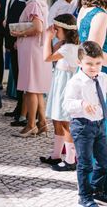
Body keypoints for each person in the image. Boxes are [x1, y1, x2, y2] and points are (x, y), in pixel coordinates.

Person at [62, 41, 107, 207]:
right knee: (85, 163)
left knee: (104, 161)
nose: (94, 68)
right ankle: (85, 196)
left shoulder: (103, 78)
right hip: (82, 126)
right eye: (89, 64)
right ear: (79, 62)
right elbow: (66, 105)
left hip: (100, 125)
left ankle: (97, 189)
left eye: (98, 63)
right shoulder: (76, 82)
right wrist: (82, 104)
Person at [10, 0, 50, 138]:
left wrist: (19, 33)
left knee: (31, 89)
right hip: (36, 49)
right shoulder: (39, 2)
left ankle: (31, 125)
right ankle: (42, 123)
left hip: (32, 50)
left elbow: (38, 28)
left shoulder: (34, 4)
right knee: (37, 89)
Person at [40, 14, 79, 172]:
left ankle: (70, 159)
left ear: (66, 30)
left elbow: (47, 57)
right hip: (59, 84)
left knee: (65, 121)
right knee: (57, 119)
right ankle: (56, 155)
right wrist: (54, 38)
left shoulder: (70, 48)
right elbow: (52, 50)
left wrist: (47, 37)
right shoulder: (64, 44)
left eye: (57, 29)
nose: (54, 31)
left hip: (66, 86)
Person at [4, 0, 30, 125]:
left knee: (21, 76)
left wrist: (15, 40)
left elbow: (23, 20)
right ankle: (19, 106)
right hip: (12, 41)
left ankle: (23, 109)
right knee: (17, 75)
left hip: (19, 42)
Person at [77, 0, 107, 72]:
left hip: (86, 69)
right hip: (99, 72)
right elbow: (94, 53)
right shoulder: (101, 15)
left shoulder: (84, 8)